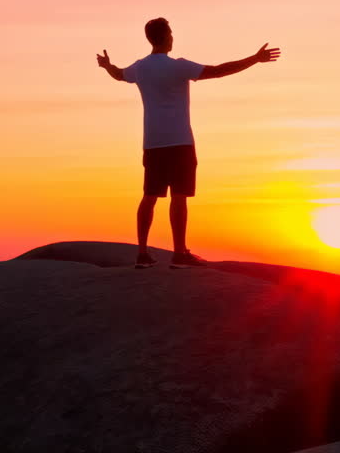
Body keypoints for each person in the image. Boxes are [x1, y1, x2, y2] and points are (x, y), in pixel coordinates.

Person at [96, 17, 280, 269]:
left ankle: (142, 253)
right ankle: (179, 253)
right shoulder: (178, 67)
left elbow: (119, 75)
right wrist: (254, 59)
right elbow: (217, 71)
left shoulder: (140, 68)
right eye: (171, 33)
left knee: (149, 196)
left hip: (152, 142)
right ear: (166, 36)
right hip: (180, 141)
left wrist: (107, 65)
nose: (172, 37)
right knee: (179, 197)